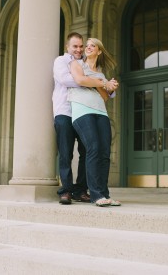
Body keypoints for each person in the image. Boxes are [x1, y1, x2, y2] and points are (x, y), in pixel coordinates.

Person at [53, 32, 117, 205]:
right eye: (75, 46)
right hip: (65, 111)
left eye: (81, 46)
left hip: (84, 112)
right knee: (66, 153)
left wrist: (99, 82)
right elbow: (71, 80)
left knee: (87, 151)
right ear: (68, 47)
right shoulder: (62, 61)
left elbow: (97, 86)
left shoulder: (85, 64)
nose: (79, 49)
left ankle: (80, 190)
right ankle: (66, 190)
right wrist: (100, 82)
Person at [68, 37, 121, 207]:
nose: (88, 47)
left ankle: (104, 194)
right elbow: (80, 80)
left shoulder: (100, 73)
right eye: (87, 45)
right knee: (94, 148)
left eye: (93, 46)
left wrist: (107, 86)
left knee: (105, 153)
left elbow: (105, 97)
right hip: (82, 111)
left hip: (100, 112)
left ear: (99, 51)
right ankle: (96, 195)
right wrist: (103, 83)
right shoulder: (76, 64)